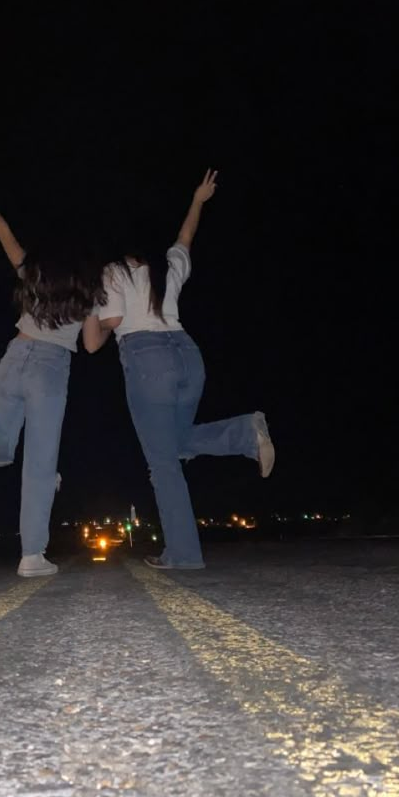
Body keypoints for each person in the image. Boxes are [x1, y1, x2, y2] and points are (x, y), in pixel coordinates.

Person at [83, 169, 274, 570]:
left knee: (163, 461)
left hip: (147, 358)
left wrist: (89, 306)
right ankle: (244, 431)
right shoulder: (165, 267)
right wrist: (198, 201)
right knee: (176, 444)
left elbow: (101, 335)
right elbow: (185, 238)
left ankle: (184, 554)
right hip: (188, 354)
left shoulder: (112, 272)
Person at [0, 165, 105, 577]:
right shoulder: (89, 289)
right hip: (50, 367)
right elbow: (93, 345)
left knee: (1, 455)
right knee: (40, 463)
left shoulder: (33, 270)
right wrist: (110, 326)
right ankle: (31, 556)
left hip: (12, 358)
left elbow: (4, 234)